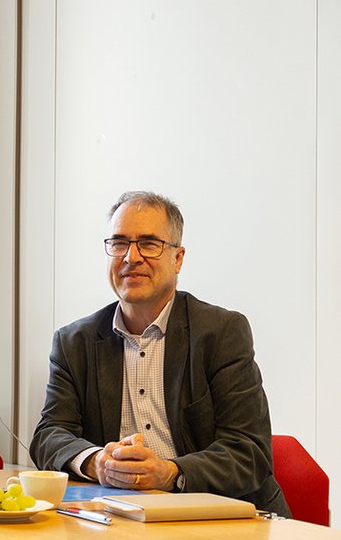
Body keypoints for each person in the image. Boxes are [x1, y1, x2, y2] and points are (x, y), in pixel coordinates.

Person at [29, 191, 290, 515]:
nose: (131, 258)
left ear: (177, 258)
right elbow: (49, 435)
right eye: (119, 243)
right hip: (122, 519)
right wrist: (99, 462)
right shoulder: (74, 342)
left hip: (222, 518)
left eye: (149, 243)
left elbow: (249, 452)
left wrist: (169, 473)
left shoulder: (221, 332)